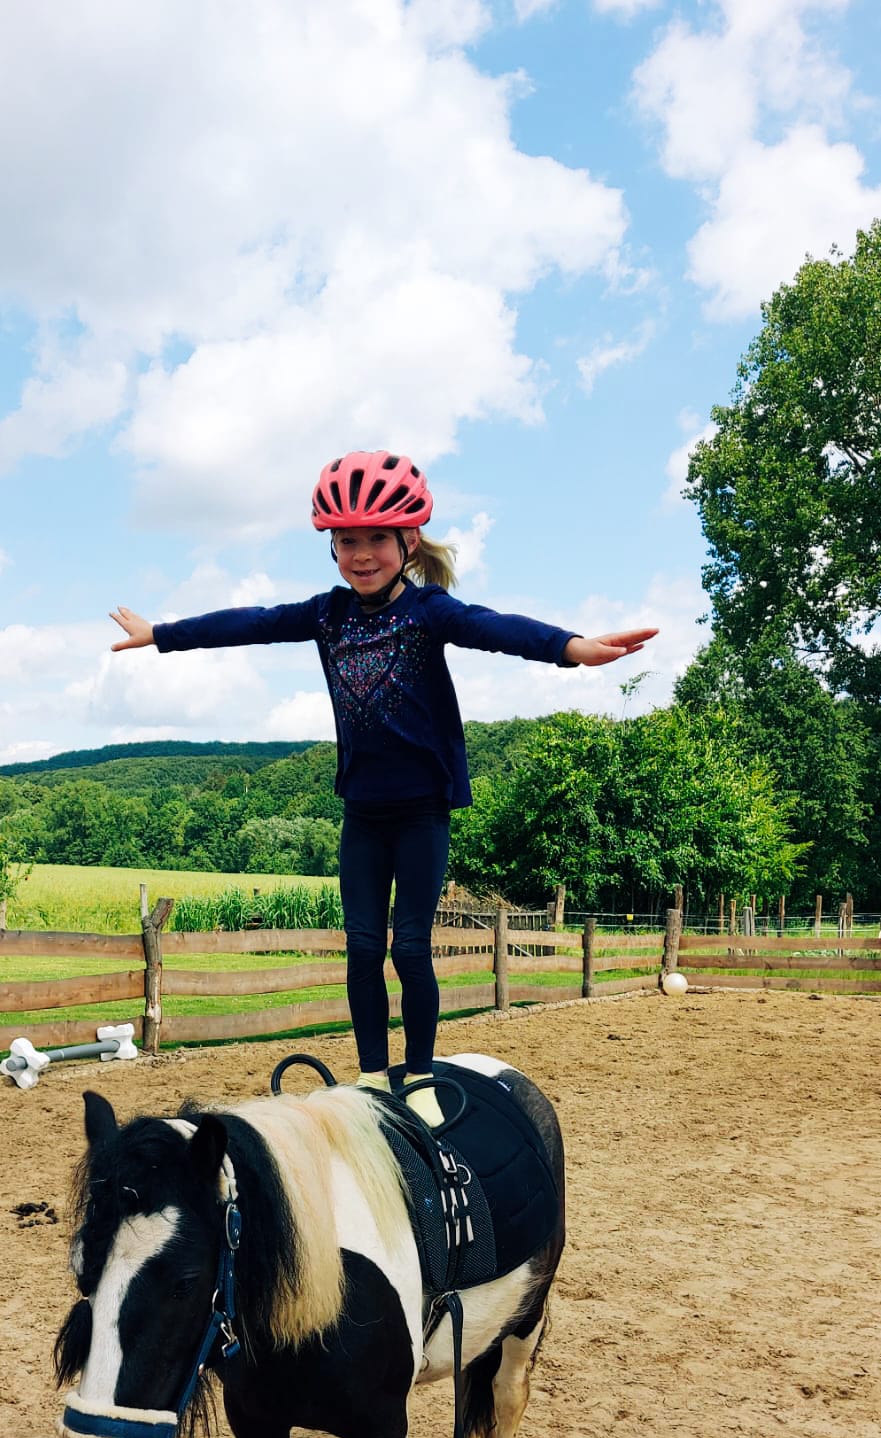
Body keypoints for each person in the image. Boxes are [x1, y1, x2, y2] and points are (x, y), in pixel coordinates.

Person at [110, 449, 657, 1124]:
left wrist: (571, 647)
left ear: (406, 541)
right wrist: (161, 633)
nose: (359, 554)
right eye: (345, 541)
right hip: (363, 816)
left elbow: (495, 628)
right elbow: (248, 622)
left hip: (422, 813)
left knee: (409, 946)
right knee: (363, 948)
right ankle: (371, 1075)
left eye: (373, 539)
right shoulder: (326, 615)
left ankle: (419, 1073)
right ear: (331, 548)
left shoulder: (428, 612)